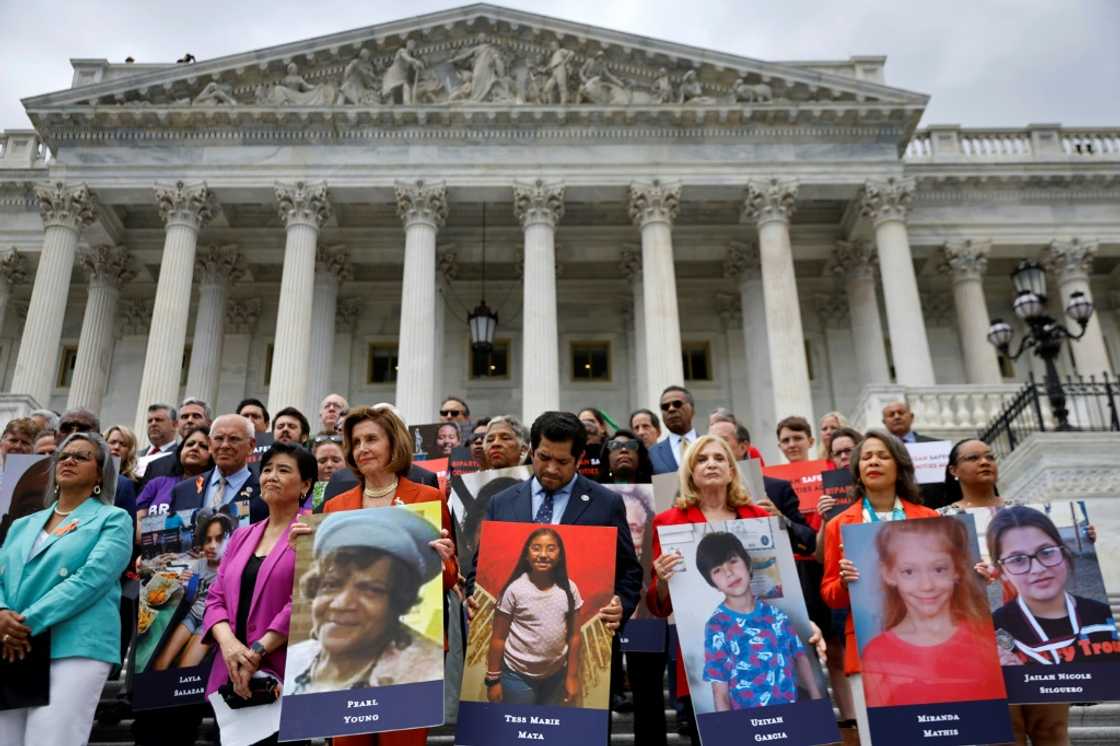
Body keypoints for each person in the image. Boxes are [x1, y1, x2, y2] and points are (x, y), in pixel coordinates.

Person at [292, 404, 456, 746]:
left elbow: (449, 577)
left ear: (393, 444)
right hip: (345, 651)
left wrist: (446, 561)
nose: (362, 448)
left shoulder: (427, 497)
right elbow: (321, 572)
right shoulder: (337, 505)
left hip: (410, 651)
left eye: (371, 439)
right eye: (356, 441)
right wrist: (302, 552)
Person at [647, 435, 803, 743]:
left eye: (720, 458)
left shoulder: (758, 517)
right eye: (702, 460)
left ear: (732, 470)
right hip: (709, 654)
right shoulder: (668, 522)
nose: (711, 464)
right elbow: (658, 605)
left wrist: (804, 623)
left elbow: (783, 586)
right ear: (690, 473)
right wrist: (662, 578)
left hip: (768, 652)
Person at [466, 411, 642, 682]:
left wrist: (621, 604)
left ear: (580, 459)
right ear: (532, 450)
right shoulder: (502, 502)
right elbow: (479, 568)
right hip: (512, 653)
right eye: (544, 458)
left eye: (562, 461)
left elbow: (630, 571)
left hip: (582, 655)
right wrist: (473, 598)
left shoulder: (605, 504)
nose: (551, 469)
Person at [0, 432, 132, 745]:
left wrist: (24, 624)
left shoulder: (113, 519)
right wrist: (2, 612)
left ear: (100, 473)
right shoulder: (21, 525)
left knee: (52, 738)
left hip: (74, 644)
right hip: (14, 644)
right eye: (64, 455)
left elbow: (91, 579)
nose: (69, 460)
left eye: (82, 456)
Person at [820, 429, 938, 743]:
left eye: (883, 455)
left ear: (899, 466)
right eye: (867, 456)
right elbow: (829, 595)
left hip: (926, 642)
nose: (874, 461)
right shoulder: (839, 524)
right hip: (867, 644)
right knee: (879, 737)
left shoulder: (928, 518)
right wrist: (844, 583)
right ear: (857, 469)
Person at [200, 443, 314, 746]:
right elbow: (215, 598)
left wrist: (257, 652)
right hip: (231, 677)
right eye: (266, 469)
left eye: (283, 470)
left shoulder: (310, 530)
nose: (271, 476)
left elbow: (306, 598)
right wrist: (229, 646)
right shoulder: (241, 534)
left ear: (305, 485)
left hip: (283, 674)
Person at [285, 508, 444, 694]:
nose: (341, 604)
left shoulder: (429, 673)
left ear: (398, 602)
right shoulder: (295, 661)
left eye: (370, 590)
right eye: (331, 584)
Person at [859, 518, 1006, 707]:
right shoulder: (876, 653)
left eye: (938, 569)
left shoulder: (985, 639)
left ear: (957, 569)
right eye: (909, 571)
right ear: (889, 574)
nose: (926, 586)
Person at [696, 531, 822, 710]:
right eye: (717, 570)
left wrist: (816, 699)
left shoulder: (777, 615)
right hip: (750, 725)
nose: (729, 573)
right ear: (712, 583)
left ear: (747, 564)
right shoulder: (717, 626)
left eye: (732, 561)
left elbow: (800, 657)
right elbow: (720, 691)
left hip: (792, 716)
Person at [989, 505, 1119, 666]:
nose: (1038, 569)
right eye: (1018, 560)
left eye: (1046, 552)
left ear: (1064, 553)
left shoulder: (1108, 619)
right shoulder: (990, 636)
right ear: (1001, 571)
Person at [486, 527, 583, 706]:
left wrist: (571, 676)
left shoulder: (570, 589)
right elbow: (498, 638)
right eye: (536, 548)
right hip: (516, 675)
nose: (543, 554)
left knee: (547, 728)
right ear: (526, 554)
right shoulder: (514, 589)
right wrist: (493, 680)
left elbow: (575, 636)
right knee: (518, 728)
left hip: (555, 676)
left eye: (551, 548)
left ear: (560, 555)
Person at [152, 512, 236, 671]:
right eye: (208, 540)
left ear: (229, 540)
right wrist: (184, 584)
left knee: (185, 667)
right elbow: (192, 596)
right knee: (160, 663)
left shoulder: (231, 568)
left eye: (219, 539)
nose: (212, 545)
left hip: (211, 624)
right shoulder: (199, 564)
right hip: (192, 616)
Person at [169, 414, 266, 523]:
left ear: (251, 446)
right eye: (219, 438)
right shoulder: (183, 490)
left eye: (234, 439)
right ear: (210, 444)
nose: (225, 445)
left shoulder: (264, 494)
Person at [136, 426, 214, 525]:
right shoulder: (157, 484)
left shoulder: (213, 488)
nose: (195, 448)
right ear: (180, 451)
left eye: (203, 446)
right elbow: (138, 520)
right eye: (190, 444)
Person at [649, 386, 698, 475]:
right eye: (665, 407)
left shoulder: (711, 446)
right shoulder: (651, 454)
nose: (671, 409)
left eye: (677, 404)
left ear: (692, 410)